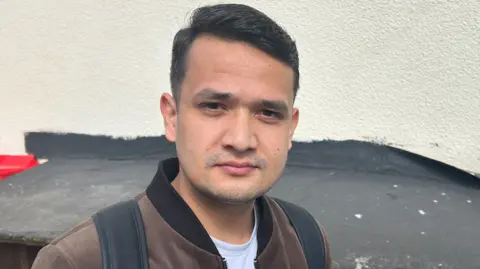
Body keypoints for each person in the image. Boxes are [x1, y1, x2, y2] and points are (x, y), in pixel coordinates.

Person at [31, 3, 332, 269]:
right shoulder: (84, 259)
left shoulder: (307, 241)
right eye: (214, 106)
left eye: (268, 113)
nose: (241, 140)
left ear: (290, 127)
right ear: (171, 116)